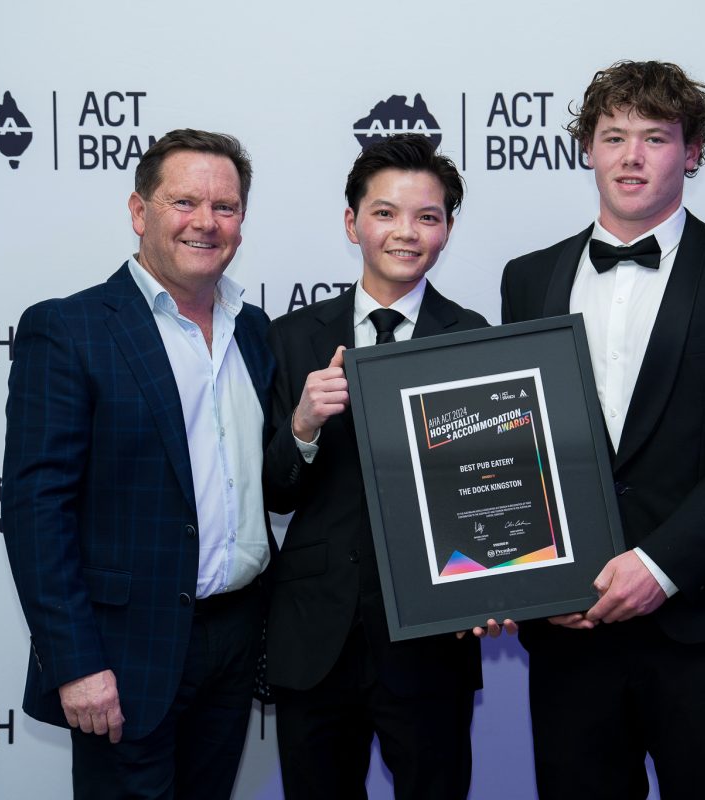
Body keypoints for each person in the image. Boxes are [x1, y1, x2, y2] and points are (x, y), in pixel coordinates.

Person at [501, 61, 705, 799]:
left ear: (693, 151)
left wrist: (660, 565)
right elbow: (518, 448)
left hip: (702, 620)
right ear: (587, 150)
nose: (631, 156)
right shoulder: (528, 277)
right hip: (569, 629)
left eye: (655, 137)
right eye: (613, 136)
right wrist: (526, 577)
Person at [1, 129, 274, 800]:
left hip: (235, 644)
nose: (206, 222)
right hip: (124, 658)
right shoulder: (71, 329)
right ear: (138, 211)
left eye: (226, 206)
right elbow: (37, 511)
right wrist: (75, 664)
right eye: (184, 201)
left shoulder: (256, 330)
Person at [263, 134, 490, 800]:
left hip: (430, 639)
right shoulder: (292, 336)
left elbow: (490, 487)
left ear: (447, 229)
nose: (407, 232)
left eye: (428, 216)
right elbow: (275, 492)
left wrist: (496, 581)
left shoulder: (473, 337)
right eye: (386, 213)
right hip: (315, 636)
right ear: (352, 223)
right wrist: (303, 422)